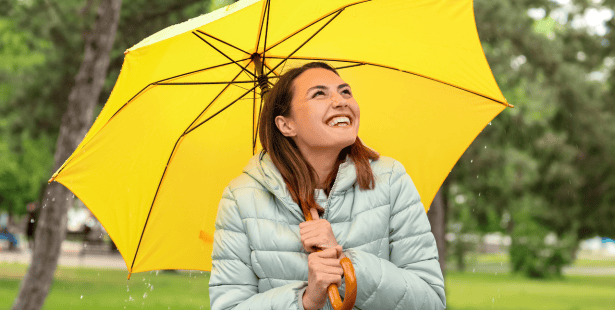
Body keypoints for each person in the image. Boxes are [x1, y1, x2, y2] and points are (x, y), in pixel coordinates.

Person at [209, 62, 446, 310]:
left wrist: (346, 265)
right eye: (319, 94)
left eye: (345, 91)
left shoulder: (389, 180)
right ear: (286, 125)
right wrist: (306, 300)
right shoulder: (241, 198)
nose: (341, 101)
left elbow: (430, 302)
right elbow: (229, 306)